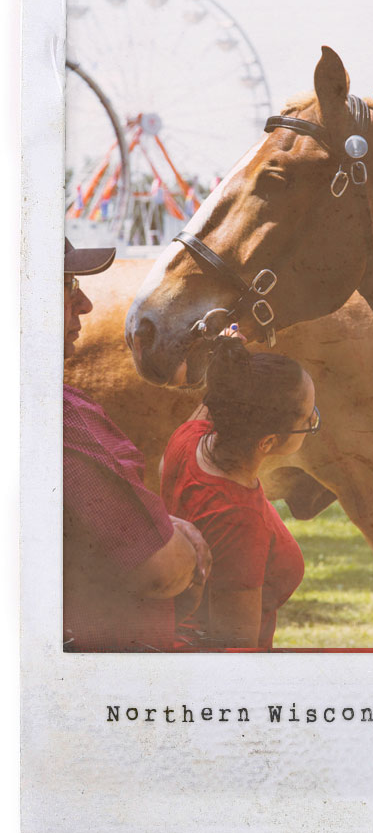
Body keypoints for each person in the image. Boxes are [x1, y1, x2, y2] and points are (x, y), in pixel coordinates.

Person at [63, 238, 212, 652]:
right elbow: (161, 571)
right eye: (69, 285)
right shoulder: (62, 419)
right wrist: (187, 546)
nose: (85, 304)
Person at [160, 334, 317, 649]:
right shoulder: (238, 519)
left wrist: (231, 365)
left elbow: (222, 403)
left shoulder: (188, 439)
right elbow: (236, 648)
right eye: (308, 419)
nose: (314, 418)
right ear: (267, 442)